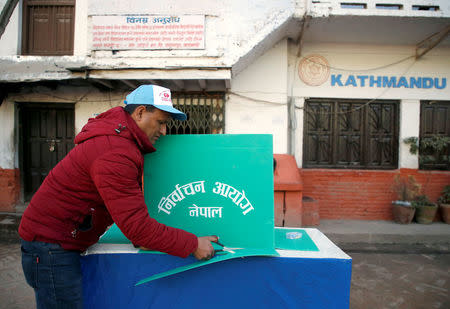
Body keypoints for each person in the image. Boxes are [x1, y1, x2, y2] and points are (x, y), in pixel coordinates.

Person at [19, 84, 218, 309]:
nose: (164, 131)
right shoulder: (115, 152)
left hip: (55, 241)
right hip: (50, 246)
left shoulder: (120, 141)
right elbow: (138, 229)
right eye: (161, 122)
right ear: (140, 112)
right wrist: (192, 243)